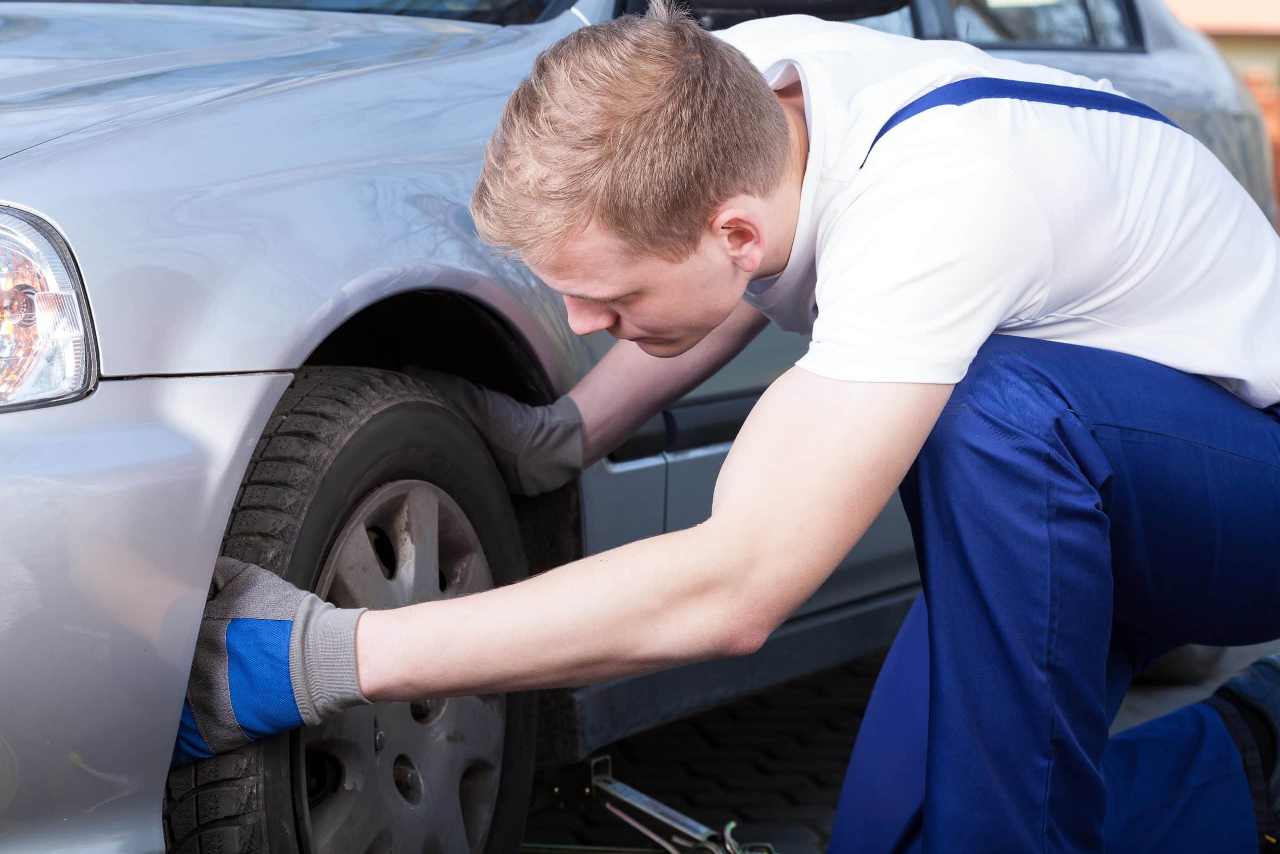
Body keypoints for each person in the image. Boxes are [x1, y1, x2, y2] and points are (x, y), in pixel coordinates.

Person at [174, 3, 1280, 850]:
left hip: (1238, 488)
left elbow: (737, 587)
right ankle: (1247, 757)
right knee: (895, 833)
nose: (579, 323)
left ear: (733, 229)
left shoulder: (937, 205)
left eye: (608, 302)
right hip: (1079, 493)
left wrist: (328, 655)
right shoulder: (731, 95)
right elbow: (729, 280)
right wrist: (566, 428)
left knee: (993, 414)